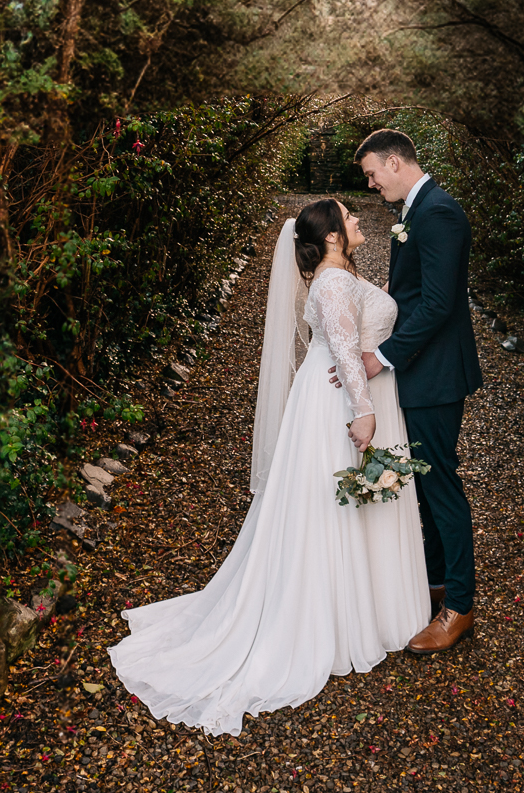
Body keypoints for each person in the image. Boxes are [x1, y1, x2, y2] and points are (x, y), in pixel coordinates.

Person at [106, 199, 428, 735]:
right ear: (329, 237)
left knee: (348, 503)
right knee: (336, 506)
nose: (357, 221)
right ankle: (334, 619)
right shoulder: (332, 282)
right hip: (344, 402)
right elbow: (347, 354)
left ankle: (367, 608)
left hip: (338, 393)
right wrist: (364, 412)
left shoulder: (339, 276)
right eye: (348, 218)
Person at [338, 128, 482, 654]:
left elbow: (440, 304)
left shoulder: (439, 212)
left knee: (440, 484)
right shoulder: (414, 213)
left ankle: (460, 607)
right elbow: (415, 292)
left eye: (373, 174)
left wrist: (382, 357)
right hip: (422, 370)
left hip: (437, 373)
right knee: (424, 484)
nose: (372, 185)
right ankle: (438, 583)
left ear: (395, 162)